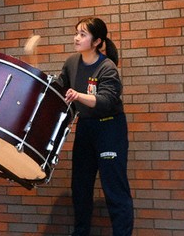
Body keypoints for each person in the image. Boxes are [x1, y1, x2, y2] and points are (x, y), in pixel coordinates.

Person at [57, 17, 133, 236]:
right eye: (76, 33)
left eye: (83, 34)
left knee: (114, 190)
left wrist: (78, 95)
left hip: (110, 128)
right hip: (86, 127)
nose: (76, 38)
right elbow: (60, 90)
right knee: (80, 188)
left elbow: (106, 101)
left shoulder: (107, 67)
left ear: (97, 41)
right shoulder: (72, 62)